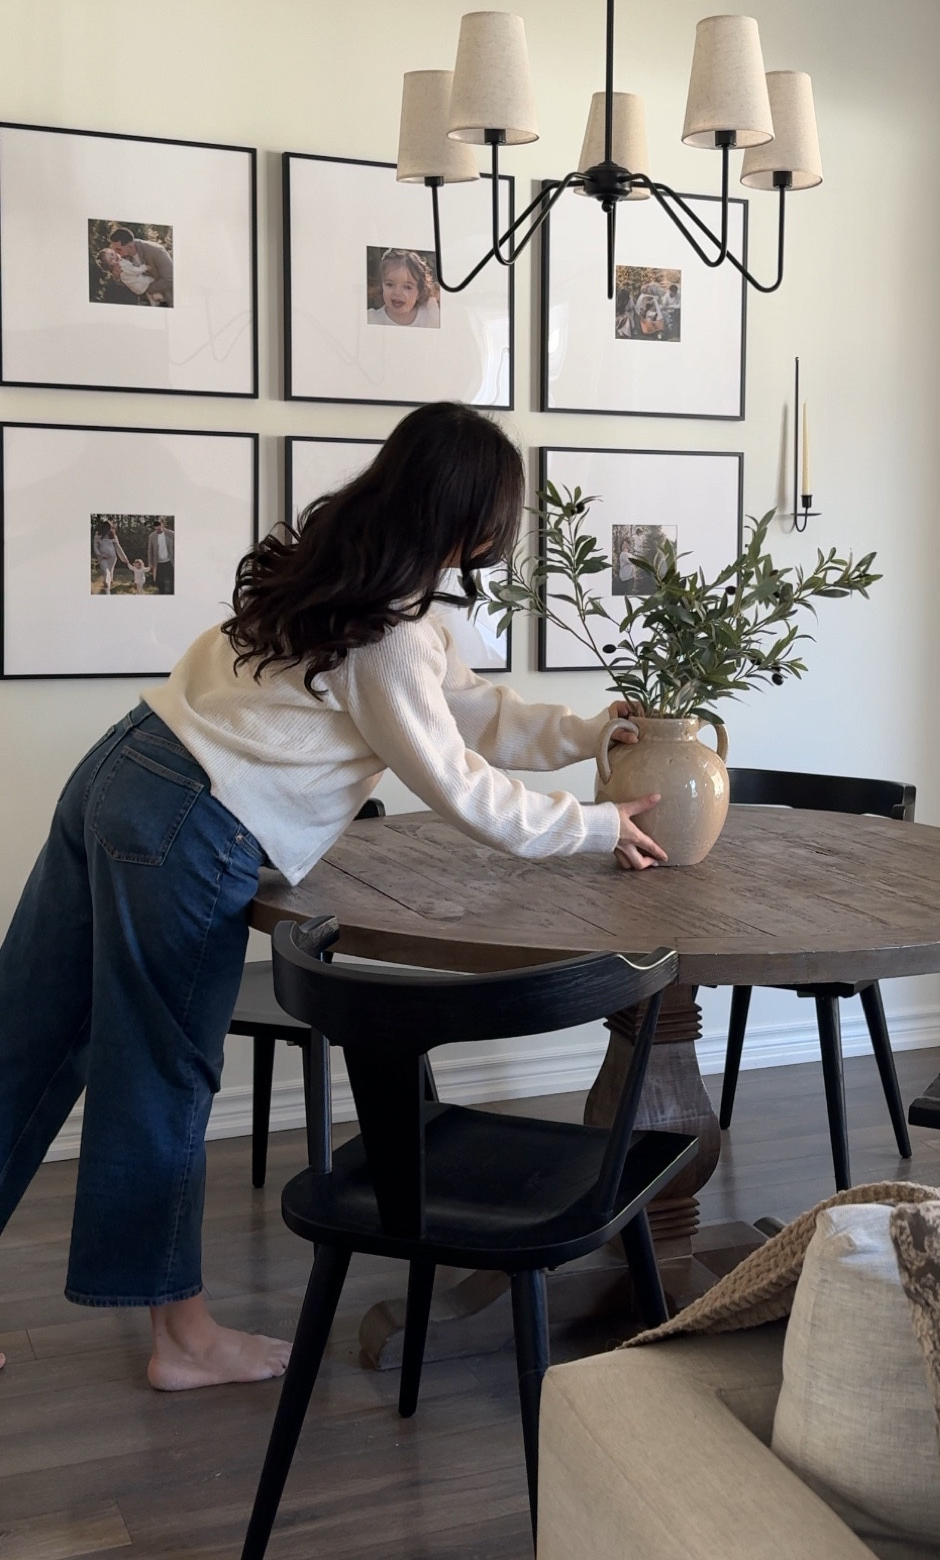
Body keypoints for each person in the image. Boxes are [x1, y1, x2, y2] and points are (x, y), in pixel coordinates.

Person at [0, 404, 664, 1390]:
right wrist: (597, 825)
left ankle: (168, 1320)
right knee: (164, 1071)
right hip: (188, 819)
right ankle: (181, 1335)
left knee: (27, 1034)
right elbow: (464, 786)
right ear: (469, 516)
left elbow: (470, 712)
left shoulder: (348, 585)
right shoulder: (387, 633)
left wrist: (585, 730)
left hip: (123, 770)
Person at [367, 249, 440, 328]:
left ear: (419, 292)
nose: (397, 292)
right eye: (390, 284)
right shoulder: (372, 319)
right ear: (382, 286)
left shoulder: (429, 316)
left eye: (407, 287)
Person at [106, 226, 173, 306]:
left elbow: (170, 278)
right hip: (145, 300)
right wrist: (117, 276)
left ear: (130, 245)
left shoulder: (156, 251)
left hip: (168, 299)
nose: (116, 253)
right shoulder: (120, 259)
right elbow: (127, 282)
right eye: (114, 249)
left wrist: (146, 289)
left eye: (118, 249)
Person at [92, 519, 127, 593]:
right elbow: (95, 546)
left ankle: (108, 588)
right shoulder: (98, 535)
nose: (109, 529)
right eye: (108, 528)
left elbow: (118, 547)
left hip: (112, 557)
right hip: (102, 558)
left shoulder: (113, 535)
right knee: (106, 571)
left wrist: (124, 558)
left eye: (110, 527)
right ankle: (106, 587)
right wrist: (100, 555)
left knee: (110, 572)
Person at [148, 520, 175, 596]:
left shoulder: (172, 534)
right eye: (156, 529)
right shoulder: (152, 536)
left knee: (171, 581)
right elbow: (150, 550)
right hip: (158, 563)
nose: (157, 531)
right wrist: (150, 563)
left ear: (163, 526)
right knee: (160, 582)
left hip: (170, 561)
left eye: (159, 529)